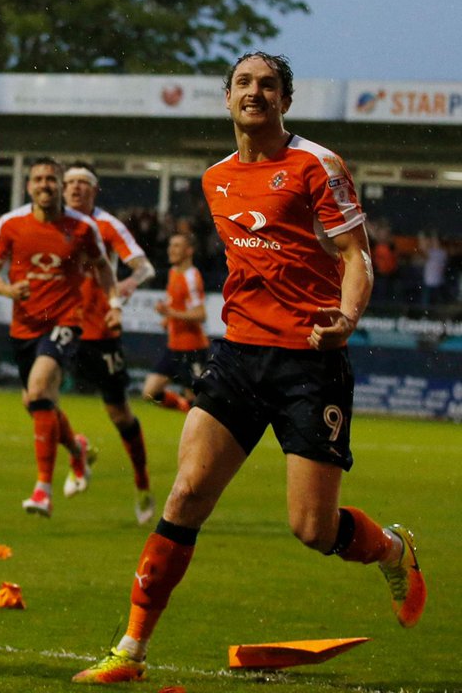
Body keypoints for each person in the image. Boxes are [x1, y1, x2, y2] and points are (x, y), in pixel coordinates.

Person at [73, 52, 426, 684]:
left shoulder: (317, 165)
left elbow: (356, 254)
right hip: (236, 355)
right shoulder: (215, 179)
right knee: (185, 495)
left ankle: (393, 550)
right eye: (243, 83)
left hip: (310, 363)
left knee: (312, 529)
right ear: (227, 97)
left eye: (268, 85)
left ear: (285, 100)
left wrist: (345, 318)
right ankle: (130, 650)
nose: (254, 92)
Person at [0, 158, 118, 518]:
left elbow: (103, 268)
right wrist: (9, 291)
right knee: (36, 403)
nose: (45, 185)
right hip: (24, 326)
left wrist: (114, 302)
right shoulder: (10, 225)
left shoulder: (83, 227)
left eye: (51, 179)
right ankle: (77, 449)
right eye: (38, 179)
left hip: (65, 321)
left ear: (60, 186)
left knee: (40, 389)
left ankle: (42, 490)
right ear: (28, 186)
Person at [63, 162, 157, 525]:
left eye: (82, 184)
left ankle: (143, 483)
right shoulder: (53, 222)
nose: (75, 189)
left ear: (94, 191)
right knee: (39, 396)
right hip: (63, 325)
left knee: (119, 413)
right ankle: (78, 452)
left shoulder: (107, 225)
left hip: (101, 330)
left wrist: (130, 283)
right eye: (69, 183)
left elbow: (144, 267)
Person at [142, 232, 208, 414]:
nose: (171, 249)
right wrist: (168, 319)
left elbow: (200, 314)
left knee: (197, 402)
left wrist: (170, 313)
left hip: (192, 348)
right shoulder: (173, 273)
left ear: (189, 251)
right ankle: (183, 405)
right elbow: (180, 306)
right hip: (174, 346)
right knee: (149, 392)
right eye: (170, 245)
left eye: (177, 245)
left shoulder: (192, 277)